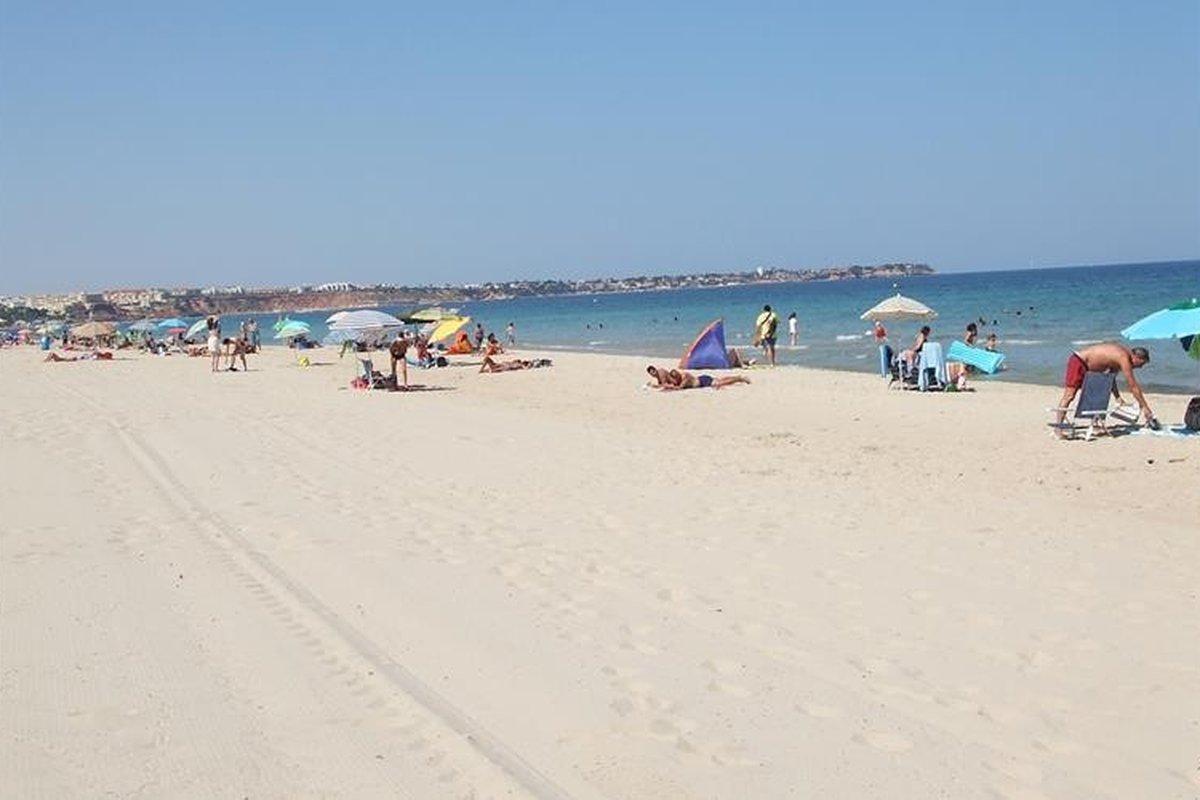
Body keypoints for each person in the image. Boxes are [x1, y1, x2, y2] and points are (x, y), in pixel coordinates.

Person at [1054, 342, 1157, 431]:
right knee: (1069, 396)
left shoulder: (1120, 357)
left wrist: (1118, 397)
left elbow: (1110, 379)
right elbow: (1133, 386)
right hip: (1079, 362)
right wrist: (1145, 408)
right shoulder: (1123, 357)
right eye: (1141, 364)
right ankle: (1058, 428)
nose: (1140, 367)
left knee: (1098, 394)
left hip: (1090, 370)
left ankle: (1095, 424)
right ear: (1136, 357)